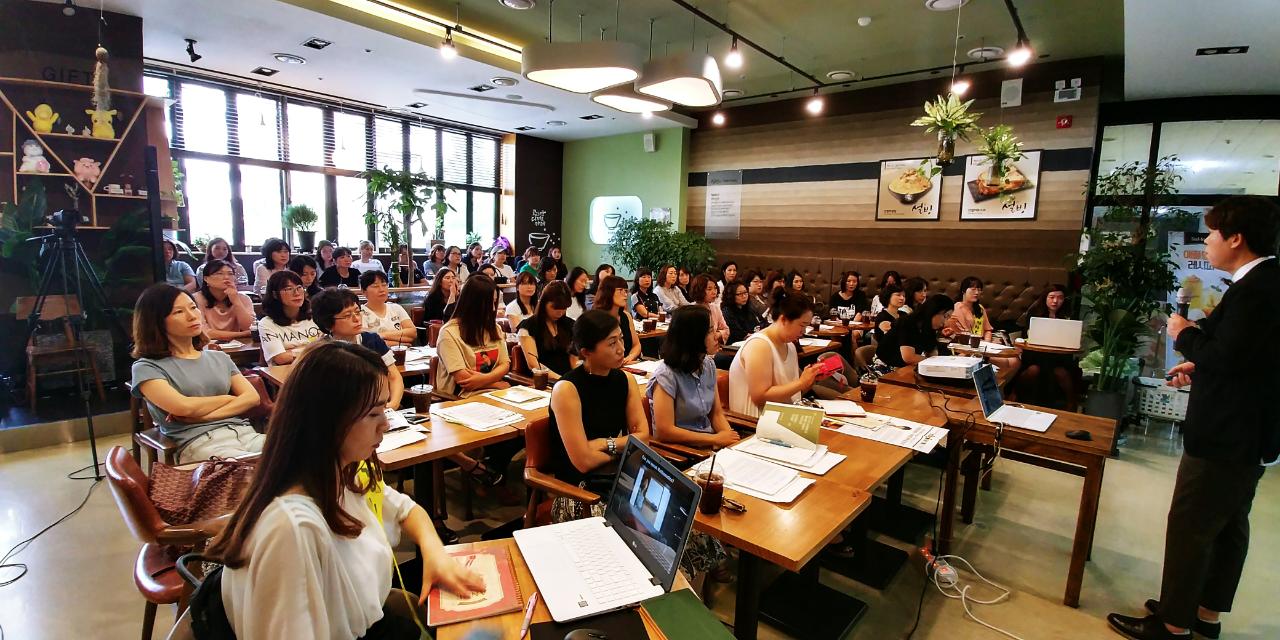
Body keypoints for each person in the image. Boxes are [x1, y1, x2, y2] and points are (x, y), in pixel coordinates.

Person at [209, 341, 483, 640]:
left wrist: (435, 553)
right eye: (373, 414)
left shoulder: (340, 474)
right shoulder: (292, 528)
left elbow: (406, 509)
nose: (385, 424)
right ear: (327, 421)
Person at [1107, 195, 1280, 640]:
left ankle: (1172, 625)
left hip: (1225, 435)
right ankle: (1204, 614)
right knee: (1228, 526)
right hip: (1248, 434)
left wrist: (1184, 336)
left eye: (1212, 233)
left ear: (1236, 238)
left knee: (1192, 527)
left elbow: (1227, 356)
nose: (1206, 242)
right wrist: (1199, 363)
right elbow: (1247, 360)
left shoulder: (1256, 289)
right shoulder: (1266, 283)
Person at [129, 283, 263, 463]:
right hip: (198, 443)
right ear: (156, 321)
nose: (192, 316)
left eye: (193, 307)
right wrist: (229, 399)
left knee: (294, 456)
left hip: (245, 433)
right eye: (178, 312)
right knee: (247, 471)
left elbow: (252, 398)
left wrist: (202, 416)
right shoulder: (146, 367)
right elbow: (183, 407)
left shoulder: (219, 357)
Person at [546, 309, 649, 518]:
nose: (621, 349)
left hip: (618, 478)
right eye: (612, 343)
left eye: (621, 339)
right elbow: (583, 462)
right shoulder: (567, 389)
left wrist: (603, 444)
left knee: (672, 523)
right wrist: (623, 448)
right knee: (634, 526)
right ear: (586, 352)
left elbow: (643, 438)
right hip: (578, 490)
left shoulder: (625, 380)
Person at [728, 289, 845, 417]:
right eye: (802, 325)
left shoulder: (790, 346)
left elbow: (791, 395)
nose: (804, 331)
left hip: (783, 416)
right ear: (783, 319)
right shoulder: (759, 346)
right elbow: (760, 397)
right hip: (755, 421)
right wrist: (801, 383)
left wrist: (809, 380)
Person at [648, 305, 741, 450]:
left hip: (708, 443)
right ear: (693, 337)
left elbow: (716, 414)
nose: (717, 336)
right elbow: (664, 431)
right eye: (710, 331)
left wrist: (730, 439)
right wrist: (715, 439)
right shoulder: (666, 375)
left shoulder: (708, 364)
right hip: (682, 450)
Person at [312, 288, 404, 409]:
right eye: (347, 315)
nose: (356, 319)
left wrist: (393, 404)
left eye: (357, 312)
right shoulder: (322, 351)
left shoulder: (372, 340)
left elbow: (394, 377)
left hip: (379, 407)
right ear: (328, 324)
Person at [434, 274, 510, 398]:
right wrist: (496, 384)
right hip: (461, 398)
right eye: (489, 303)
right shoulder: (449, 333)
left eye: (494, 302)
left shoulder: (495, 328)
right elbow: (464, 380)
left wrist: (483, 379)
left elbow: (505, 364)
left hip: (495, 394)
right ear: (473, 304)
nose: (493, 308)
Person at [1013, 285, 1084, 410]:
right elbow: (1027, 336)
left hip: (1059, 357)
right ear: (1045, 298)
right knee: (1033, 370)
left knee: (1061, 372)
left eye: (1060, 298)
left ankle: (1071, 401)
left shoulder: (1068, 315)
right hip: (1036, 355)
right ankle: (1016, 395)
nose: (1055, 301)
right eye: (1051, 297)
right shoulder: (1034, 313)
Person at [949, 275, 1019, 372]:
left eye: (979, 290)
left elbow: (987, 330)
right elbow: (964, 336)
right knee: (1008, 363)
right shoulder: (957, 308)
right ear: (963, 291)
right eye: (973, 289)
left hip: (983, 346)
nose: (977, 293)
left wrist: (987, 343)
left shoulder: (980, 308)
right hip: (968, 348)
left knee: (1015, 360)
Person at [258, 271, 322, 365]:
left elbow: (328, 348)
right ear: (275, 294)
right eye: (289, 289)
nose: (296, 293)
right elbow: (280, 358)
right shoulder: (267, 323)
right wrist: (313, 350)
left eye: (299, 287)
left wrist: (292, 352)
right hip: (286, 371)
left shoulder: (315, 316)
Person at [516, 281, 577, 380]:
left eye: (564, 308)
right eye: (555, 308)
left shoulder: (570, 325)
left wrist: (576, 378)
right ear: (544, 303)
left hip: (568, 379)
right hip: (543, 380)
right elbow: (533, 365)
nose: (560, 313)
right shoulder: (529, 326)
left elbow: (574, 358)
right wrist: (561, 380)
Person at [875, 293, 953, 368]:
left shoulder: (928, 328)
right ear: (933, 311)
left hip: (906, 367)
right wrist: (935, 362)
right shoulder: (908, 323)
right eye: (945, 316)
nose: (946, 322)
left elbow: (932, 353)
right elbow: (909, 357)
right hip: (885, 367)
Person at [193, 259, 255, 341]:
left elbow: (250, 327)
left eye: (230, 274)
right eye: (219, 273)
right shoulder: (196, 299)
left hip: (238, 345)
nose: (226, 277)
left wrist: (236, 301)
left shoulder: (243, 298)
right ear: (206, 279)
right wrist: (242, 334)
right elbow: (203, 332)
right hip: (207, 345)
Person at [592, 275, 642, 365]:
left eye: (626, 291)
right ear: (608, 292)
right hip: (607, 365)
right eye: (620, 290)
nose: (625, 294)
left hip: (628, 363)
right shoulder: (597, 318)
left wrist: (629, 357)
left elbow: (636, 345)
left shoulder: (626, 316)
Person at [359, 270, 417, 347]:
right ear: (364, 291)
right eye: (375, 286)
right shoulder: (360, 312)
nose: (381, 290)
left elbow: (412, 333)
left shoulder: (396, 308)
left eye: (384, 285)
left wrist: (380, 335)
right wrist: (400, 343)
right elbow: (367, 341)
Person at [689, 274, 730, 345]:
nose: (714, 292)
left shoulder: (715, 308)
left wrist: (717, 335)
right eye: (709, 289)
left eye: (715, 288)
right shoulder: (690, 310)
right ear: (699, 290)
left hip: (714, 346)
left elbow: (726, 330)